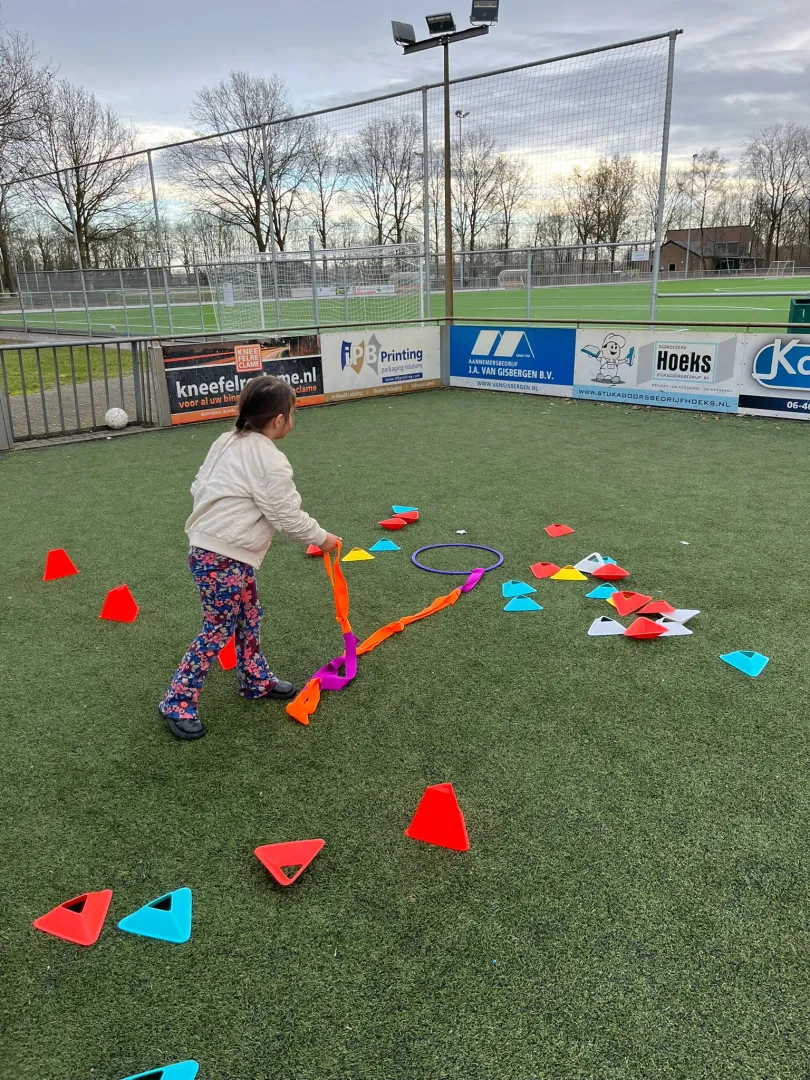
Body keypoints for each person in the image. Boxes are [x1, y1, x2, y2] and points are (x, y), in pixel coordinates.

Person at [159, 376, 339, 740]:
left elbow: (199, 484)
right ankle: (177, 701)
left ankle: (255, 679)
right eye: (292, 413)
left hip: (218, 551)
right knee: (218, 628)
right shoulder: (269, 460)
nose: (293, 420)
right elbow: (286, 516)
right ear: (279, 419)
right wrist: (322, 539)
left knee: (249, 614)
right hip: (221, 555)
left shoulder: (228, 439)